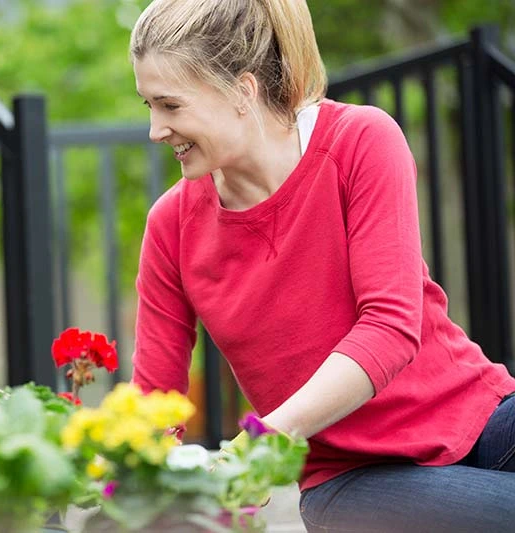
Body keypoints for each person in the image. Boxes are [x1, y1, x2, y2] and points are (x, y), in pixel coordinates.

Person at [128, 1, 515, 531]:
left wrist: (264, 440)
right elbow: (155, 407)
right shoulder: (171, 226)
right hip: (353, 480)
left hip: (482, 417)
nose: (155, 129)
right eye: (148, 105)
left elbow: (389, 327)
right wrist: (158, 486)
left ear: (243, 91)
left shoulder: (360, 140)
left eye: (169, 105)